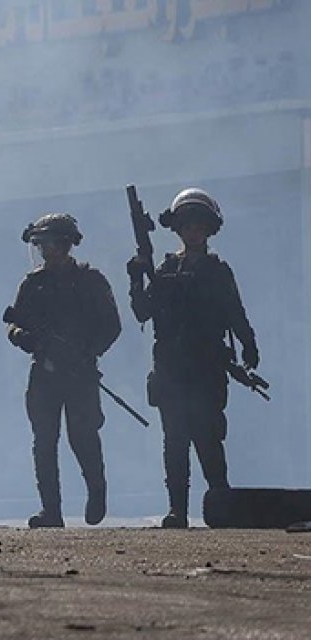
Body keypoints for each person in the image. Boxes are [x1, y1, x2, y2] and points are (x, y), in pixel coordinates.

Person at [127, 188, 258, 529]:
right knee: (174, 441)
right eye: (187, 225)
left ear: (209, 230)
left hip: (206, 367)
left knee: (208, 436)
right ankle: (178, 510)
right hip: (171, 368)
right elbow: (142, 312)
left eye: (199, 226)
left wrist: (249, 347)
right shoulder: (164, 269)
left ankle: (221, 502)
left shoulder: (218, 270)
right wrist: (136, 278)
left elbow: (235, 312)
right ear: (179, 229)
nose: (193, 232)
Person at [6, 213, 121, 528]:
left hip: (80, 373)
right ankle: (51, 511)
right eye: (42, 245)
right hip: (44, 373)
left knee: (82, 436)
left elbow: (112, 325)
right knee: (44, 440)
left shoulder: (90, 281)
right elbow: (14, 322)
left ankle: (97, 489)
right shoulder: (33, 283)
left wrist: (88, 352)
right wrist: (23, 338)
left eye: (52, 244)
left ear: (66, 244)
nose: (47, 251)